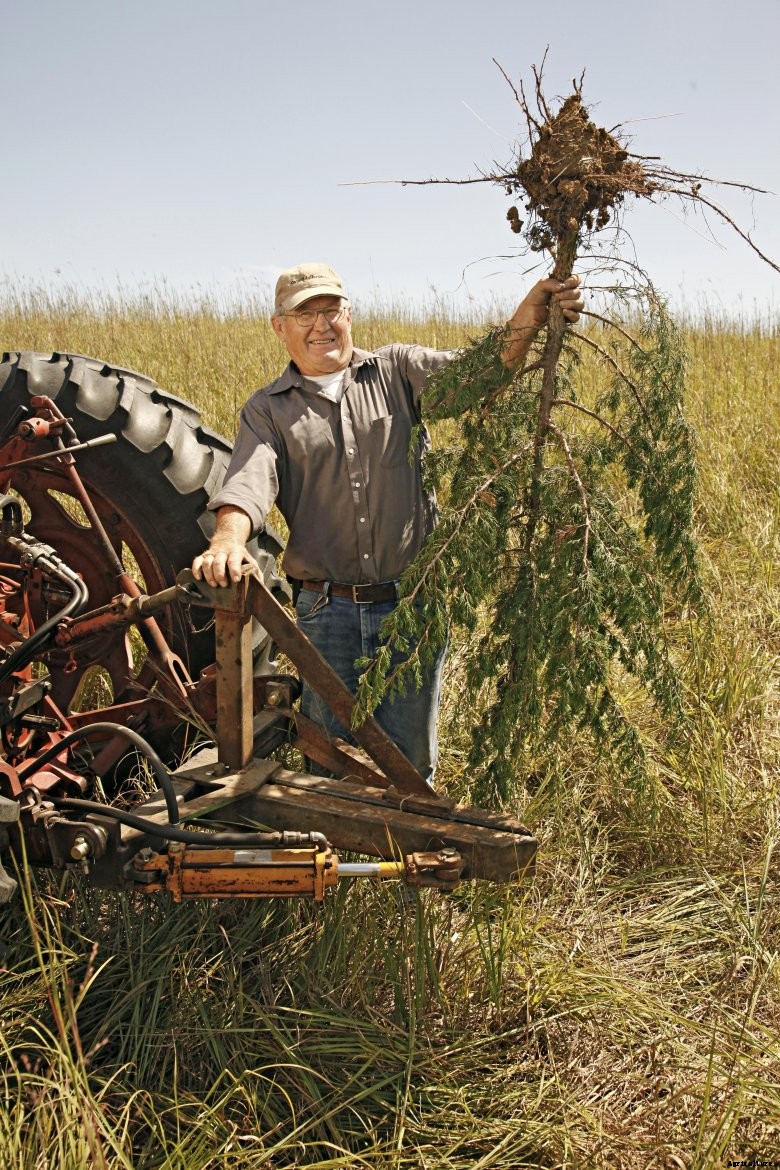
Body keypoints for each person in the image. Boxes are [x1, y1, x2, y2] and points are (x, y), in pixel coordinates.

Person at [192, 262, 583, 782]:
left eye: (330, 310)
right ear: (279, 327)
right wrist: (227, 539)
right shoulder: (268, 411)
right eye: (304, 314)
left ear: (349, 314)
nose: (321, 325)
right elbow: (247, 484)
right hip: (324, 615)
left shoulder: (398, 371)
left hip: (411, 606)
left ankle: (409, 838)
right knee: (329, 763)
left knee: (410, 768)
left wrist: (531, 314)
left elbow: (480, 374)